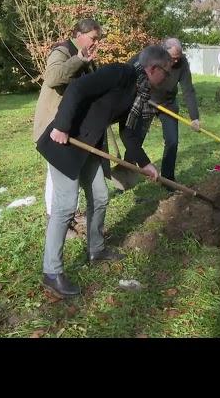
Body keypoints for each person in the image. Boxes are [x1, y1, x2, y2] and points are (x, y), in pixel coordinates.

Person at [35, 45, 172, 297]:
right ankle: (51, 272)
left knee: (100, 196)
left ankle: (96, 249)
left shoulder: (139, 91)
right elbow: (77, 88)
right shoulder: (120, 74)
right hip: (65, 141)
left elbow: (128, 132)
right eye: (167, 72)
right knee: (65, 205)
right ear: (153, 69)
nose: (168, 78)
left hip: (90, 146)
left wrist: (146, 163)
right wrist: (63, 126)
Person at [32, 18, 103, 234]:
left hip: (72, 126)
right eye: (93, 38)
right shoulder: (62, 51)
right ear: (79, 35)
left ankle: (67, 217)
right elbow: (52, 78)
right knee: (57, 174)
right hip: (53, 126)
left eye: (97, 40)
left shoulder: (87, 57)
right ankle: (56, 219)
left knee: (68, 172)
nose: (95, 43)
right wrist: (80, 59)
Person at [127, 37, 200, 183]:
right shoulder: (151, 55)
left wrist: (194, 117)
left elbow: (188, 90)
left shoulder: (182, 63)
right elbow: (128, 70)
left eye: (177, 59)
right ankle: (127, 173)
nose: (174, 62)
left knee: (172, 141)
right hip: (146, 101)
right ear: (163, 51)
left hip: (168, 104)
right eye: (172, 58)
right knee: (135, 138)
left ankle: (168, 179)